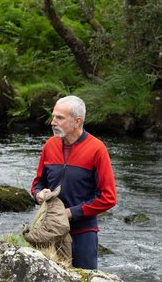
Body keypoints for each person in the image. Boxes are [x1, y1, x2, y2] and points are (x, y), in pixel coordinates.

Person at [31, 95, 117, 269]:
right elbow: (38, 183)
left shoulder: (97, 149)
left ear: (77, 121)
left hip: (83, 234)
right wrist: (38, 194)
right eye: (53, 116)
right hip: (50, 231)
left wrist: (71, 213)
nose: (53, 122)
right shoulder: (49, 145)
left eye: (60, 118)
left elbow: (108, 197)